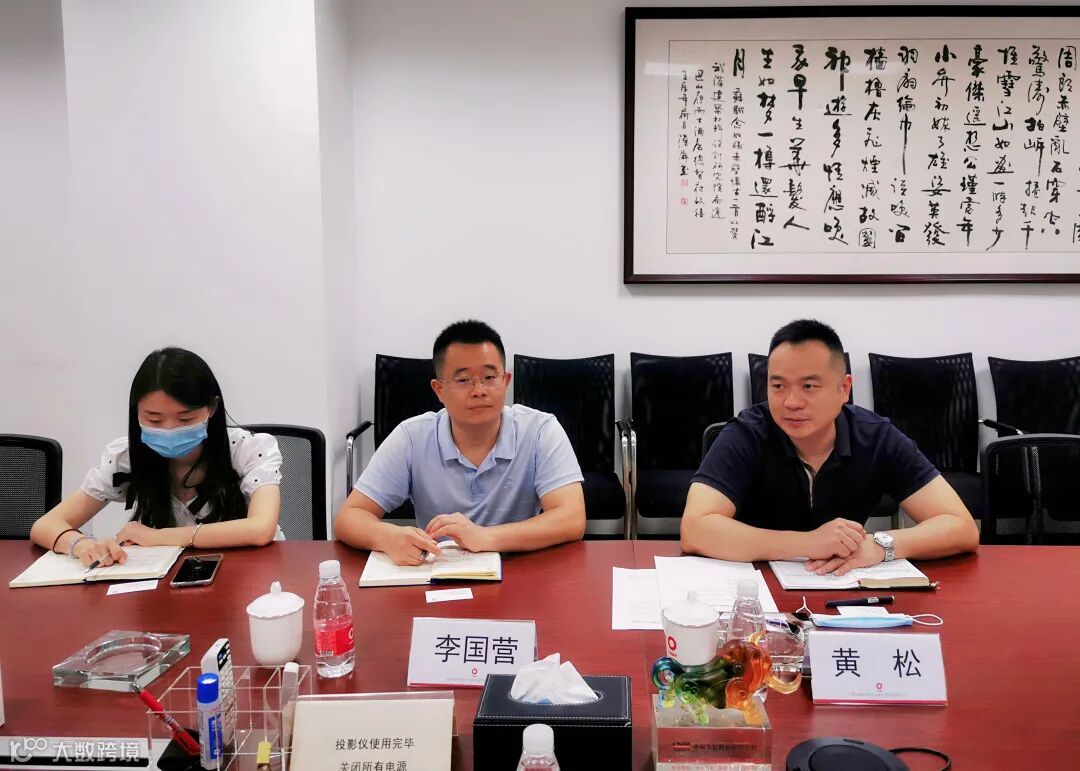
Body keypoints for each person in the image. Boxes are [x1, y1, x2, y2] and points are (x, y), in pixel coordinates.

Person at [681, 319, 979, 574]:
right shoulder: (746, 434)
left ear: (844, 389)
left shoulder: (876, 437)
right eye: (778, 386)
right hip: (754, 590)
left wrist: (879, 546)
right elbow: (695, 528)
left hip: (842, 589)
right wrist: (808, 543)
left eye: (808, 386)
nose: (791, 402)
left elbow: (961, 527)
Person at [334, 320, 586, 565]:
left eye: (489, 377)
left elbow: (571, 518)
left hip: (520, 566)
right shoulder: (412, 437)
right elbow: (348, 517)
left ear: (506, 382)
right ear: (439, 390)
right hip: (439, 572)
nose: (479, 390)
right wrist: (387, 536)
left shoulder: (540, 430)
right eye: (463, 380)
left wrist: (485, 537)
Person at [30, 347, 283, 567]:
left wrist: (157, 536)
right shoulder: (126, 458)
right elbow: (45, 526)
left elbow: (260, 528)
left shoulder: (249, 450)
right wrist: (81, 545)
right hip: (167, 583)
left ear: (212, 408)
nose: (169, 429)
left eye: (185, 418)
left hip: (250, 575)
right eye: (154, 419)